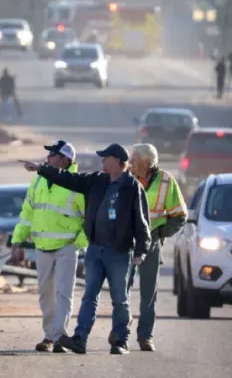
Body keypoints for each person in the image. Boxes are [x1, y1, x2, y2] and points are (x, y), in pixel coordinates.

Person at [24, 143, 150, 355]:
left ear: (118, 161)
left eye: (105, 158)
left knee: (120, 298)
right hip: (96, 250)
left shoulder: (131, 187)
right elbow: (69, 179)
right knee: (89, 296)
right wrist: (41, 168)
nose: (101, 161)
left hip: (119, 253)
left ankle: (120, 341)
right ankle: (80, 339)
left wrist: (141, 251)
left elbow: (141, 221)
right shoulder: (96, 180)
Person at [10, 140, 87, 353]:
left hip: (67, 246)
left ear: (65, 160)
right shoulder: (39, 181)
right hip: (42, 246)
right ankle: (49, 335)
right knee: (45, 293)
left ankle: (59, 335)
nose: (48, 158)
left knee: (63, 292)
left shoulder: (76, 183)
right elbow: (27, 213)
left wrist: (79, 243)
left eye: (52, 155)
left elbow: (89, 218)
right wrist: (17, 240)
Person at [125, 144, 188, 351]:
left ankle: (145, 336)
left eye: (134, 159)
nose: (130, 163)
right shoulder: (124, 178)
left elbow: (179, 215)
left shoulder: (166, 181)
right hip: (125, 243)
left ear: (147, 162)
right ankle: (121, 331)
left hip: (151, 244)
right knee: (121, 290)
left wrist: (160, 234)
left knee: (148, 294)